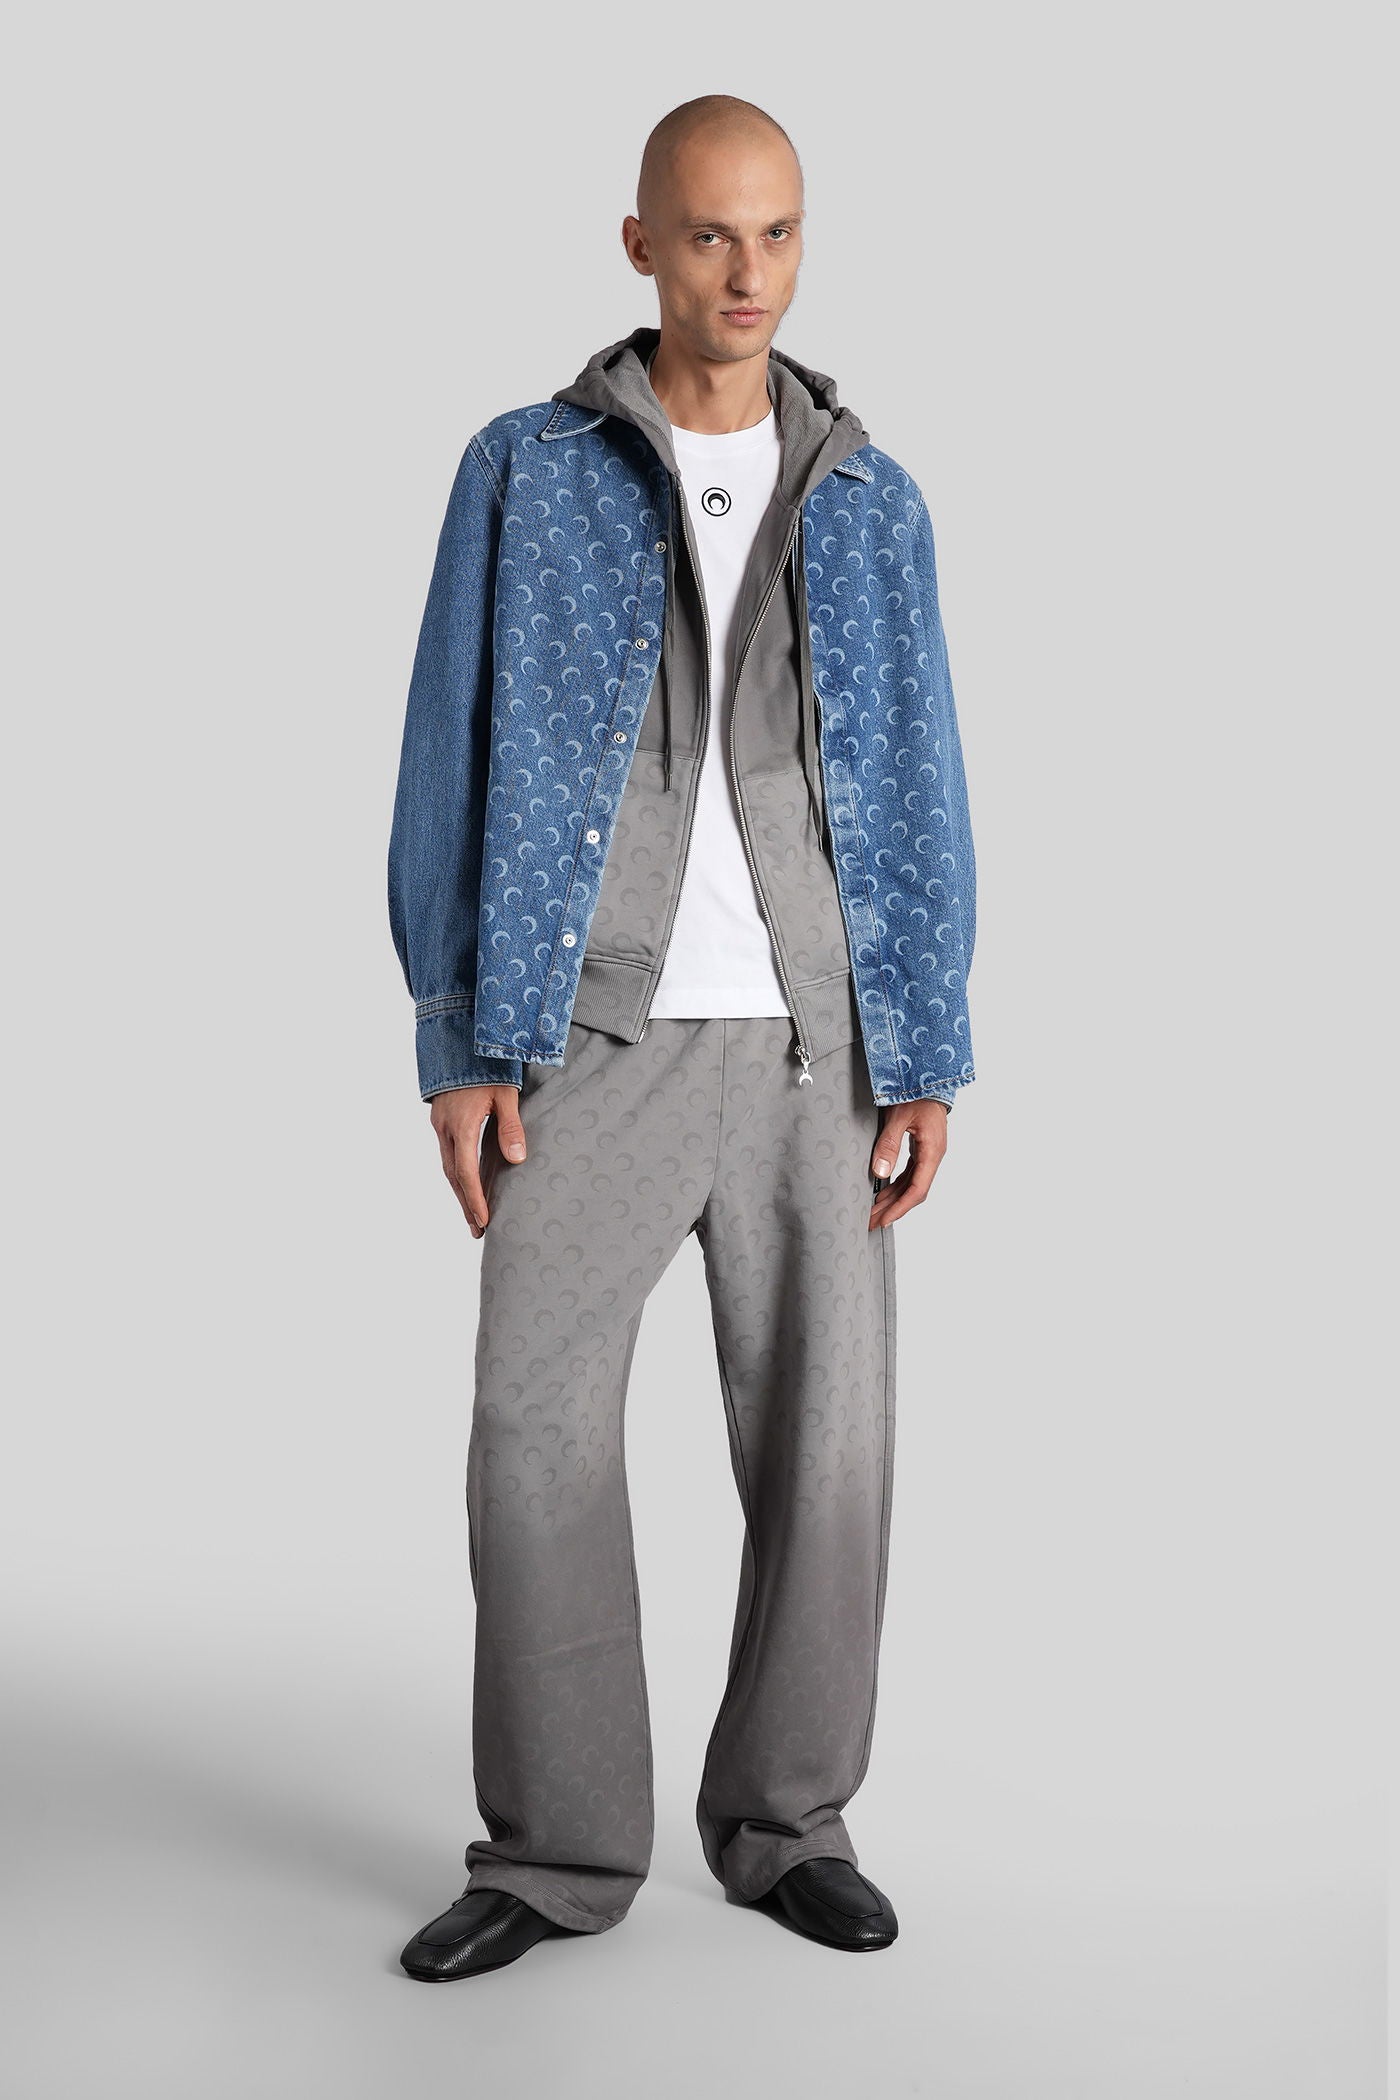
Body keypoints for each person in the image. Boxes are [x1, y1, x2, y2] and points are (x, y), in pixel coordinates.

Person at [387, 92, 977, 1980]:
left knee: (828, 1452)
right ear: (639, 243)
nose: (748, 273)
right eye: (711, 234)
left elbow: (920, 777)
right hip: (588, 1032)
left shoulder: (871, 496)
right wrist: (455, 1034)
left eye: (778, 233)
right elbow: (448, 746)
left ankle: (789, 1824)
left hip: (815, 1041)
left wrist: (926, 1046)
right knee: (530, 1434)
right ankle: (557, 1850)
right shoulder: (526, 467)